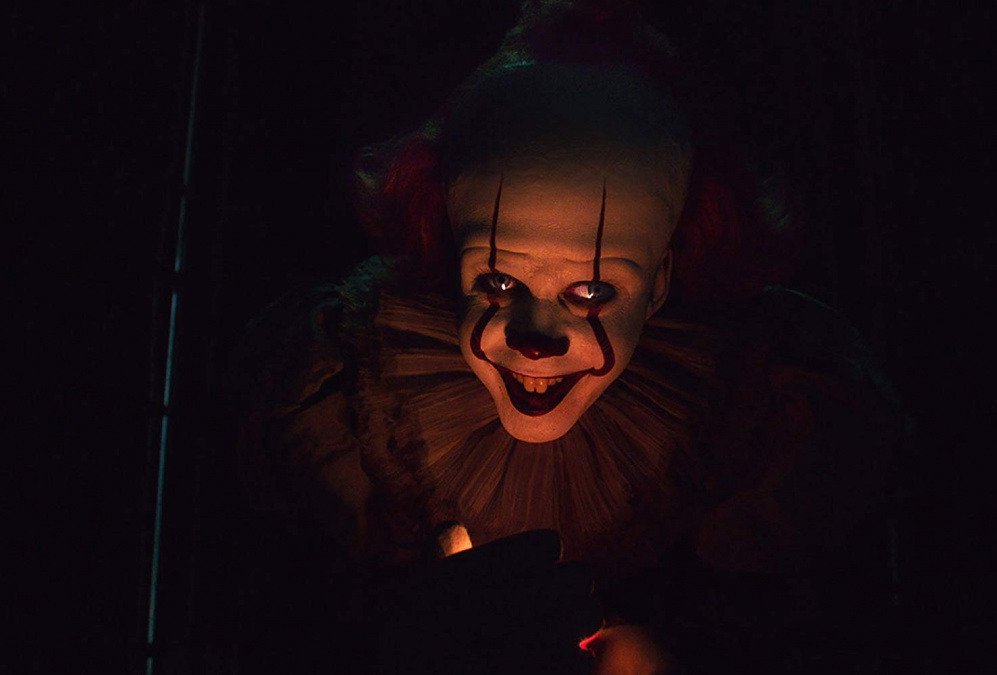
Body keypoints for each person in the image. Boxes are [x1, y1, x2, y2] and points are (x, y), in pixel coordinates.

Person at [234, 1, 903, 672]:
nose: (534, 340)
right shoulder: (357, 398)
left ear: (660, 283)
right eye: (497, 282)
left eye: (589, 292)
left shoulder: (749, 416)